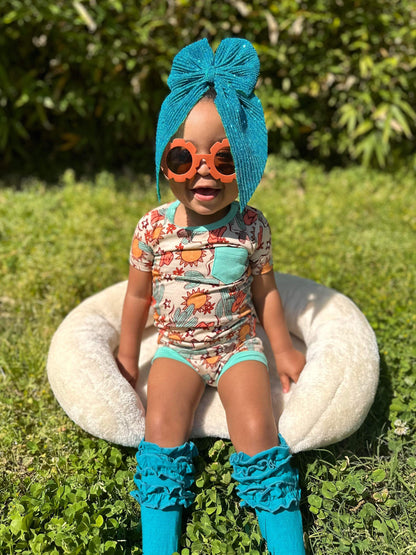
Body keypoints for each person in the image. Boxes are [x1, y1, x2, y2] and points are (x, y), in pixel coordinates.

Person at [117, 38, 306, 555]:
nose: (203, 172)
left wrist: (283, 349)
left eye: (223, 159)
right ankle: (159, 544)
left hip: (238, 346)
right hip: (176, 348)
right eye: (184, 157)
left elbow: (266, 292)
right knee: (161, 424)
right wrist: (128, 353)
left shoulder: (251, 227)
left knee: (257, 426)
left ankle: (286, 542)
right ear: (165, 163)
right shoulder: (153, 229)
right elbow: (136, 297)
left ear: (245, 162)